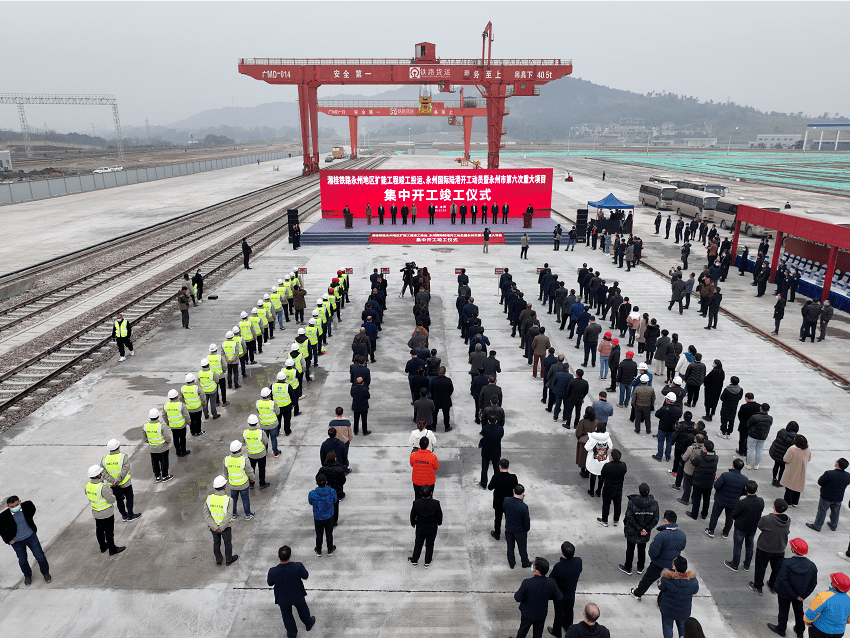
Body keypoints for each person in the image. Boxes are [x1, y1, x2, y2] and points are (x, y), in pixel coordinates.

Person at [767, 537, 818, 638]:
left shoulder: (786, 563)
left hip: (785, 594)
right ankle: (800, 632)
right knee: (799, 612)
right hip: (800, 595)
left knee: (783, 611)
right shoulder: (812, 566)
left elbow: (783, 581)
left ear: (793, 550)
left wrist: (794, 595)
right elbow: (813, 583)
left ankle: (781, 629)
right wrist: (802, 596)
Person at [630, 511, 686, 601]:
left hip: (658, 564)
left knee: (647, 580)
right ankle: (661, 600)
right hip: (672, 565)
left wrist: (655, 559)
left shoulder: (661, 535)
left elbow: (653, 552)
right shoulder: (682, 534)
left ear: (665, 521)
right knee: (667, 583)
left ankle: (637, 594)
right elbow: (682, 547)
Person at [1, 496, 51, 585]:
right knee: (22, 560)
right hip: (17, 542)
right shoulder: (3, 516)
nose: (15, 507)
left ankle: (46, 573)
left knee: (40, 556)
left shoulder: (26, 507)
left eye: (17, 504)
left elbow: (31, 507)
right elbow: (1, 530)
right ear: (8, 506)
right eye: (12, 506)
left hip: (31, 537)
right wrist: (8, 540)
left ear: (19, 502)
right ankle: (27, 575)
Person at [267, 545, 315, 637]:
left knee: (287, 616)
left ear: (278, 556)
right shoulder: (298, 566)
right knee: (302, 609)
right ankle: (308, 624)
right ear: (290, 556)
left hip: (282, 597)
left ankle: (292, 634)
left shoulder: (272, 571)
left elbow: (270, 583)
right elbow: (306, 576)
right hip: (297, 594)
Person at [750, 498, 791, 596]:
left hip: (765, 548)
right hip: (780, 548)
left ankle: (758, 587)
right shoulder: (788, 520)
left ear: (774, 507)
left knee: (761, 567)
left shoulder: (767, 519)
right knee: (776, 569)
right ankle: (772, 585)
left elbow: (760, 526)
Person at [513, 557, 563, 638]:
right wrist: (547, 596)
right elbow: (559, 597)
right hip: (541, 614)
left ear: (536, 571)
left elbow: (517, 598)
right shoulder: (552, 582)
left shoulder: (527, 582)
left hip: (527, 613)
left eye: (534, 565)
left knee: (522, 631)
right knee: (538, 634)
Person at [84, 464, 125, 556]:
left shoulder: (87, 485)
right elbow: (112, 500)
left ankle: (103, 547)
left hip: (96, 513)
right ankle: (112, 549)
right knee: (109, 532)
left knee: (99, 530)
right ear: (98, 475)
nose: (101, 474)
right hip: (106, 513)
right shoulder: (102, 487)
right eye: (100, 473)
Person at [619, 483, 659, 576]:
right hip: (644, 533)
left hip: (632, 531)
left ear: (639, 491)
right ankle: (640, 567)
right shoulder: (654, 503)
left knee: (630, 549)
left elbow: (629, 517)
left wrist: (639, 529)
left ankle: (628, 568)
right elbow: (655, 519)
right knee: (642, 549)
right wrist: (645, 530)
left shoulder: (632, 502)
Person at [725, 480, 765, 572]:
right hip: (753, 527)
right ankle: (747, 565)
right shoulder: (760, 501)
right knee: (750, 546)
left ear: (746, 488)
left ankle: (735, 564)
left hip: (741, 527)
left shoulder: (742, 502)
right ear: (756, 490)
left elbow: (734, 514)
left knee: (738, 546)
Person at [100, 439, 141, 523]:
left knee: (119, 500)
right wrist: (118, 480)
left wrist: (112, 481)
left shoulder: (104, 459)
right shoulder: (123, 456)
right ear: (118, 447)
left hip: (114, 485)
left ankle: (124, 516)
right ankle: (130, 515)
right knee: (129, 498)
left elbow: (103, 472)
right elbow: (125, 469)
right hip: (125, 483)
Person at [658, 556, 700, 638]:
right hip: (684, 611)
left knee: (668, 628)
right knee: (683, 629)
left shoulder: (666, 579)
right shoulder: (693, 581)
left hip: (668, 610)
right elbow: (695, 591)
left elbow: (660, 587)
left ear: (675, 567)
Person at [706, 458, 748, 538]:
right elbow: (744, 492)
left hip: (720, 500)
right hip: (733, 502)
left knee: (715, 515)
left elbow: (716, 486)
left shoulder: (725, 475)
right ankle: (725, 533)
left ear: (733, 465)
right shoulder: (744, 479)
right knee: (729, 518)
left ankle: (711, 530)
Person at [548, 541, 583, 637]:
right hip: (571, 592)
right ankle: (568, 627)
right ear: (574, 552)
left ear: (562, 553)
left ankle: (556, 632)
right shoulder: (578, 561)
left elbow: (551, 579)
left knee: (559, 613)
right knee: (569, 610)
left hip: (560, 594)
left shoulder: (559, 566)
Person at [807, 458, 850, 533]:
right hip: (838, 497)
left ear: (837, 464)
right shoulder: (848, 476)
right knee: (835, 512)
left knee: (822, 511)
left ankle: (817, 526)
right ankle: (833, 525)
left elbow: (820, 482)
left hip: (826, 497)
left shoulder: (829, 473)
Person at [804, 572, 850, 638]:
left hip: (820, 631)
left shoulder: (823, 597)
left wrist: (807, 620)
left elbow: (813, 611)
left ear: (834, 585)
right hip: (839, 632)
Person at [408, 485, 443, 568]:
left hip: (420, 527)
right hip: (432, 528)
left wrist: (413, 523)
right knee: (430, 544)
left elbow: (412, 515)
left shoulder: (416, 503)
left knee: (418, 544)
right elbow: (439, 515)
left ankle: (414, 561)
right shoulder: (436, 503)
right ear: (431, 493)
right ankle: (427, 562)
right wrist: (439, 523)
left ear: (420, 493)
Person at [489, 459, 518, 540]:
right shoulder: (513, 477)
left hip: (498, 502)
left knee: (498, 518)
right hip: (509, 502)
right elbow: (516, 489)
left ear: (499, 467)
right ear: (508, 467)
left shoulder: (495, 477)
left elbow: (490, 487)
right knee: (508, 519)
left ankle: (497, 534)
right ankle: (507, 535)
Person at [308, 474, 337, 557]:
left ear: (316, 483)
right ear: (326, 482)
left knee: (319, 534)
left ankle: (319, 550)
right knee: (329, 533)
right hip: (329, 516)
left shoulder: (312, 493)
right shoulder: (332, 491)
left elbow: (310, 502)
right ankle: (330, 549)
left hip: (318, 517)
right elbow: (335, 500)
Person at [504, 484, 532, 569]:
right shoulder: (524, 507)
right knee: (522, 548)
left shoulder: (506, 500)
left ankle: (511, 563)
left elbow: (504, 509)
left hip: (509, 529)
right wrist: (526, 529)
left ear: (514, 491)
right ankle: (525, 562)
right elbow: (526, 521)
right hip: (520, 531)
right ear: (522, 494)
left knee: (510, 547)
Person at [598, 449, 627, 527]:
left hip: (608, 488)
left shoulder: (607, 466)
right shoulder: (623, 465)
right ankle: (616, 520)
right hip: (618, 488)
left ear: (612, 457)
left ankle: (605, 520)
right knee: (617, 504)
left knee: (606, 504)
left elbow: (602, 475)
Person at [143, 407, 173, 481]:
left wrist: (151, 442)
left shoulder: (145, 426)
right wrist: (168, 442)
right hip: (163, 448)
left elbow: (145, 438)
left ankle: (157, 476)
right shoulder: (161, 426)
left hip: (152, 449)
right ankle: (165, 476)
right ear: (158, 416)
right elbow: (167, 437)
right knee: (164, 461)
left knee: (155, 462)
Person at [781, 434, 811, 508]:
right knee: (798, 486)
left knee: (789, 486)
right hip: (802, 470)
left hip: (791, 469)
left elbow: (786, 459)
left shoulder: (792, 449)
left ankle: (788, 502)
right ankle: (795, 502)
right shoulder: (808, 449)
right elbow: (809, 459)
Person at [584, 424, 612, 497]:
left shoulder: (593, 438)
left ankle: (591, 491)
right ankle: (599, 491)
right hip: (603, 460)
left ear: (597, 429)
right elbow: (611, 446)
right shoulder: (607, 438)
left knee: (593, 475)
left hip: (594, 460)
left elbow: (587, 448)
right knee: (601, 476)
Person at [479, 415, 504, 488]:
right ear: (496, 421)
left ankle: (483, 484)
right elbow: (501, 436)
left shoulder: (485, 428)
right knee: (496, 469)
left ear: (488, 421)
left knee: (484, 469)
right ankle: (497, 484)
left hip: (486, 451)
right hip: (496, 451)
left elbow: (483, 434)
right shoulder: (500, 429)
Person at [747, 403, 774, 470]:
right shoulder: (770, 418)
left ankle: (748, 464)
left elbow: (748, 424)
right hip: (763, 436)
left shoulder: (755, 417)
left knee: (750, 449)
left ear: (760, 408)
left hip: (753, 435)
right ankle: (756, 464)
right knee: (759, 450)